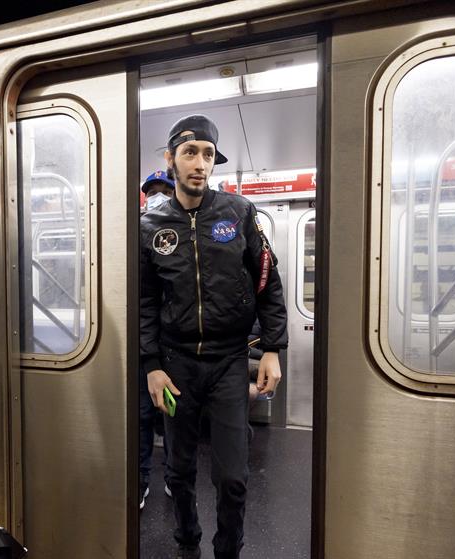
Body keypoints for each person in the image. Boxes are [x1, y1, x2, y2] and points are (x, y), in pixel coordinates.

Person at [140, 114, 288, 559]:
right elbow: (146, 302)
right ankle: (188, 542)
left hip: (227, 362)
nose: (200, 163)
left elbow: (267, 281)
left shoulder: (238, 213)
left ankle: (227, 550)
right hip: (176, 361)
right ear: (170, 160)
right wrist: (151, 365)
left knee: (232, 475)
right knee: (180, 471)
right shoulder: (150, 226)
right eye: (190, 153)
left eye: (208, 154)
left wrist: (273, 349)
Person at [139, 170, 176, 509]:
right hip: (145, 342)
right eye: (152, 191)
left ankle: (174, 480)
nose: (158, 196)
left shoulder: (181, 231)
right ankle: (140, 480)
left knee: (175, 417)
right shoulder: (137, 231)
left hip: (176, 342)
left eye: (165, 190)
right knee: (142, 417)